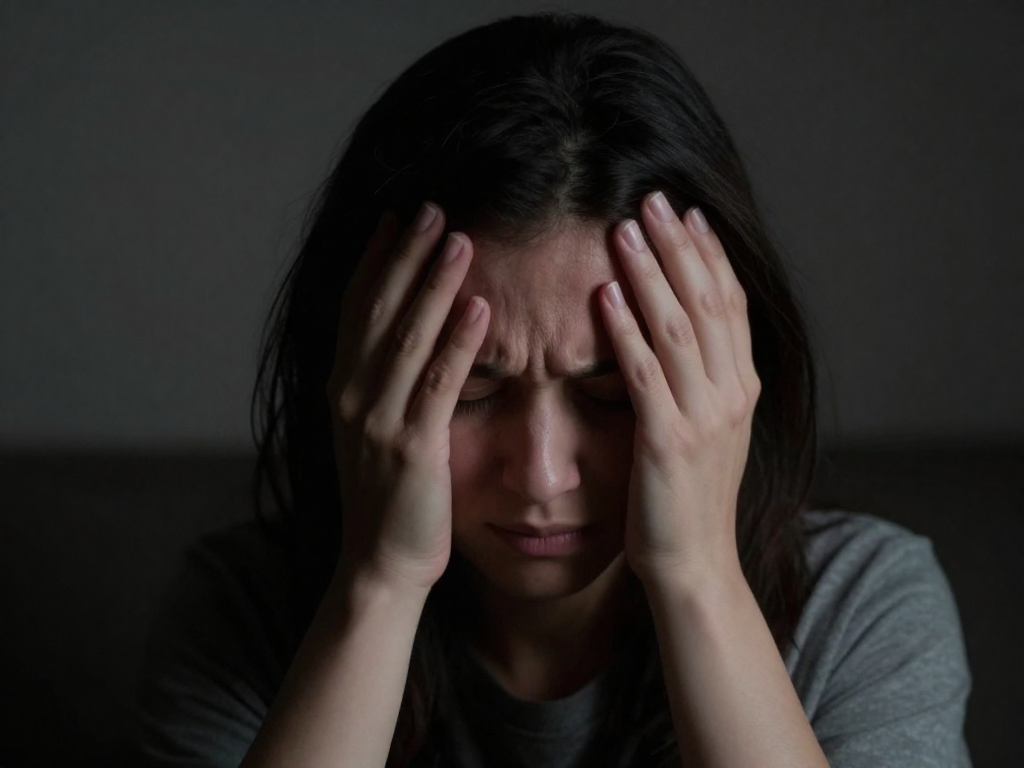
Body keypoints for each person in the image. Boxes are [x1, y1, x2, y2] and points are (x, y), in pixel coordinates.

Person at [135, 12, 973, 768]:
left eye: (611, 395)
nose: (541, 478)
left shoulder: (860, 605)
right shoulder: (241, 610)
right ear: (358, 377)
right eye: (466, 392)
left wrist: (698, 576)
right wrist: (380, 580)